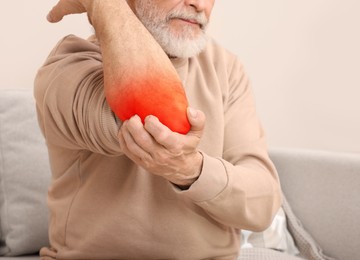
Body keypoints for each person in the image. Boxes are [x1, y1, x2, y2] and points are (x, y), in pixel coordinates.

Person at [34, 0, 282, 259]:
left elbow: (262, 205)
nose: (198, 4)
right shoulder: (69, 64)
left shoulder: (226, 67)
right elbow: (155, 120)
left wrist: (192, 171)